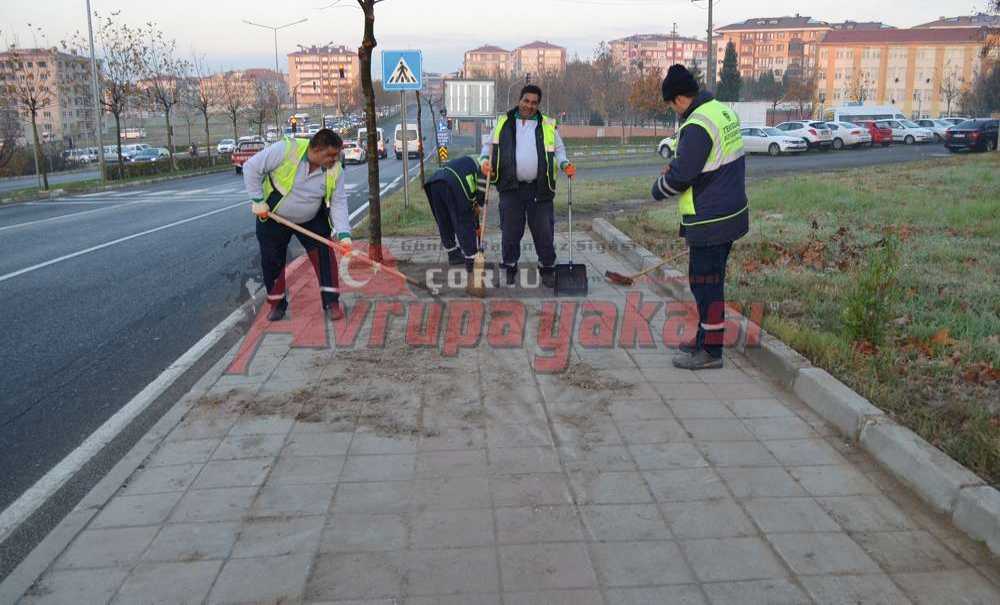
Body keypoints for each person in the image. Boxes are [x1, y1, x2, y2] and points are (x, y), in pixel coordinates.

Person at [651, 64, 749, 370]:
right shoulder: (721, 111)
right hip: (729, 210)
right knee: (709, 283)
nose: (673, 110)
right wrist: (682, 167)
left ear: (679, 99)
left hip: (711, 217)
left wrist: (658, 188)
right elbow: (706, 161)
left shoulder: (696, 124)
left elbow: (683, 175)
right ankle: (706, 339)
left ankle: (711, 352)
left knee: (706, 285)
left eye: (670, 104)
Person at [244, 129, 351, 322]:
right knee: (272, 261)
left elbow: (339, 202)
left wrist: (344, 235)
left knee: (325, 257)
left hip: (311, 218)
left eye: (337, 155)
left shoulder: (335, 170)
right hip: (274, 215)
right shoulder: (286, 149)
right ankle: (277, 305)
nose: (335, 159)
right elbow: (251, 167)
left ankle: (331, 303)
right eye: (331, 155)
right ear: (316, 149)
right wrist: (258, 200)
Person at [480, 85, 576, 287]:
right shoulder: (503, 122)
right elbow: (488, 147)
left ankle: (547, 266)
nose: (529, 106)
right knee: (510, 230)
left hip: (540, 188)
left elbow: (559, 151)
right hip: (509, 187)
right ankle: (509, 265)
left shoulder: (548, 125)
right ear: (519, 100)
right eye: (526, 101)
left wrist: (564, 163)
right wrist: (483, 162)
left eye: (534, 102)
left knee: (544, 231)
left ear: (538, 104)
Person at [423, 155, 488, 271]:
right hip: (452, 183)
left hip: (435, 181)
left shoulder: (471, 161)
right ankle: (472, 259)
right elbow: (475, 202)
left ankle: (453, 254)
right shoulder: (483, 171)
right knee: (463, 219)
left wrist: (477, 223)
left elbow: (474, 201)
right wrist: (476, 222)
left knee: (444, 220)